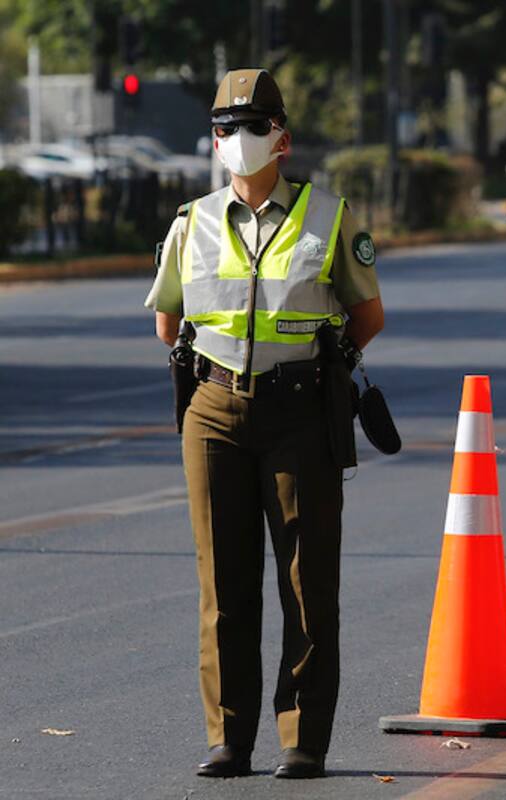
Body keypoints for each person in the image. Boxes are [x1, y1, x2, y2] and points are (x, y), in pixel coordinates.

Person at [145, 69, 385, 779]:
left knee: (307, 580)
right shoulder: (191, 222)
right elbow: (168, 323)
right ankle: (228, 737)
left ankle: (303, 737)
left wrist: (310, 365)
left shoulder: (329, 217)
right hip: (213, 410)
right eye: (225, 129)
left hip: (300, 411)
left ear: (282, 136)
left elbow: (366, 316)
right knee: (224, 582)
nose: (237, 141)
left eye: (252, 127)